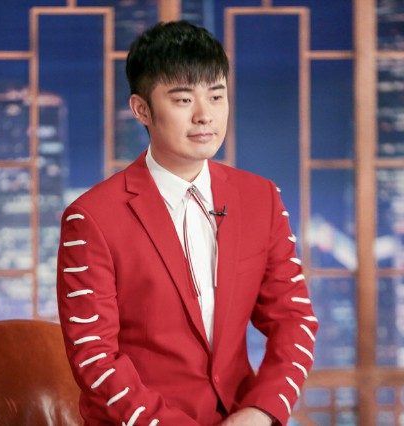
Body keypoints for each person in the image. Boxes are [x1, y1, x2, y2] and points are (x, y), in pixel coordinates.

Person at [56, 20, 318, 426]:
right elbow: (95, 358)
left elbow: (294, 319)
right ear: (141, 109)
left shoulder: (260, 198)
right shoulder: (92, 219)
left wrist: (260, 411)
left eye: (216, 96)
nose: (204, 116)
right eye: (183, 100)